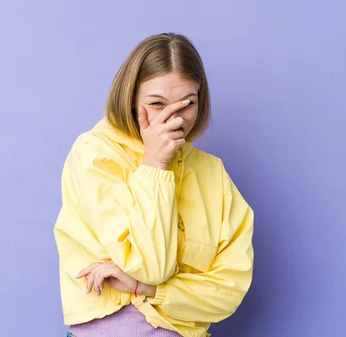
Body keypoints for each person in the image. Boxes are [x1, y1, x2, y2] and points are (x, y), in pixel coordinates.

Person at [53, 32, 254, 337]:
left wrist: (143, 288)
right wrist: (155, 165)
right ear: (131, 99)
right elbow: (150, 265)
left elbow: (228, 293)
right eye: (157, 103)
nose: (173, 120)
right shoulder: (95, 154)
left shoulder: (213, 173)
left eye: (187, 104)